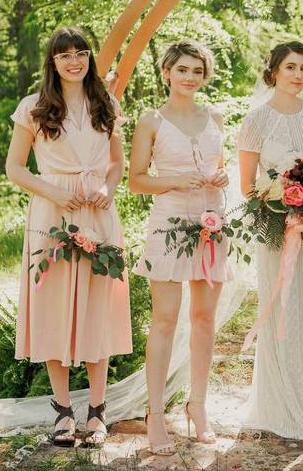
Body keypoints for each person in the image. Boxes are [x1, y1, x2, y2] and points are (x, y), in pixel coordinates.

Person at [5, 26, 132, 447]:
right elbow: (15, 169)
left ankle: (97, 411)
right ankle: (62, 410)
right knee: (53, 305)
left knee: (99, 304)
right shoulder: (34, 107)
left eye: (81, 53)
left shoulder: (106, 103)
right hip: (51, 212)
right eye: (64, 55)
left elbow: (117, 163)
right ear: (53, 62)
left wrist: (106, 189)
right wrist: (55, 190)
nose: (74, 60)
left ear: (89, 57)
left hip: (98, 212)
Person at [128, 40, 232, 455]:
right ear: (167, 71)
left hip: (211, 222)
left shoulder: (216, 118)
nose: (190, 77)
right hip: (169, 223)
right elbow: (136, 180)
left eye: (197, 71)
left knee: (204, 319)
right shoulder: (151, 120)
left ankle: (198, 406)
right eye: (183, 70)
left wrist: (221, 179)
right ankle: (156, 415)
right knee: (166, 320)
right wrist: (173, 181)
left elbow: (219, 167)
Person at [236, 42, 303, 440]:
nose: (298, 75)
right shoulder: (257, 120)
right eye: (290, 67)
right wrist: (282, 198)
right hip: (278, 231)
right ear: (274, 71)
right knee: (282, 308)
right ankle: (281, 405)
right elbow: (248, 187)